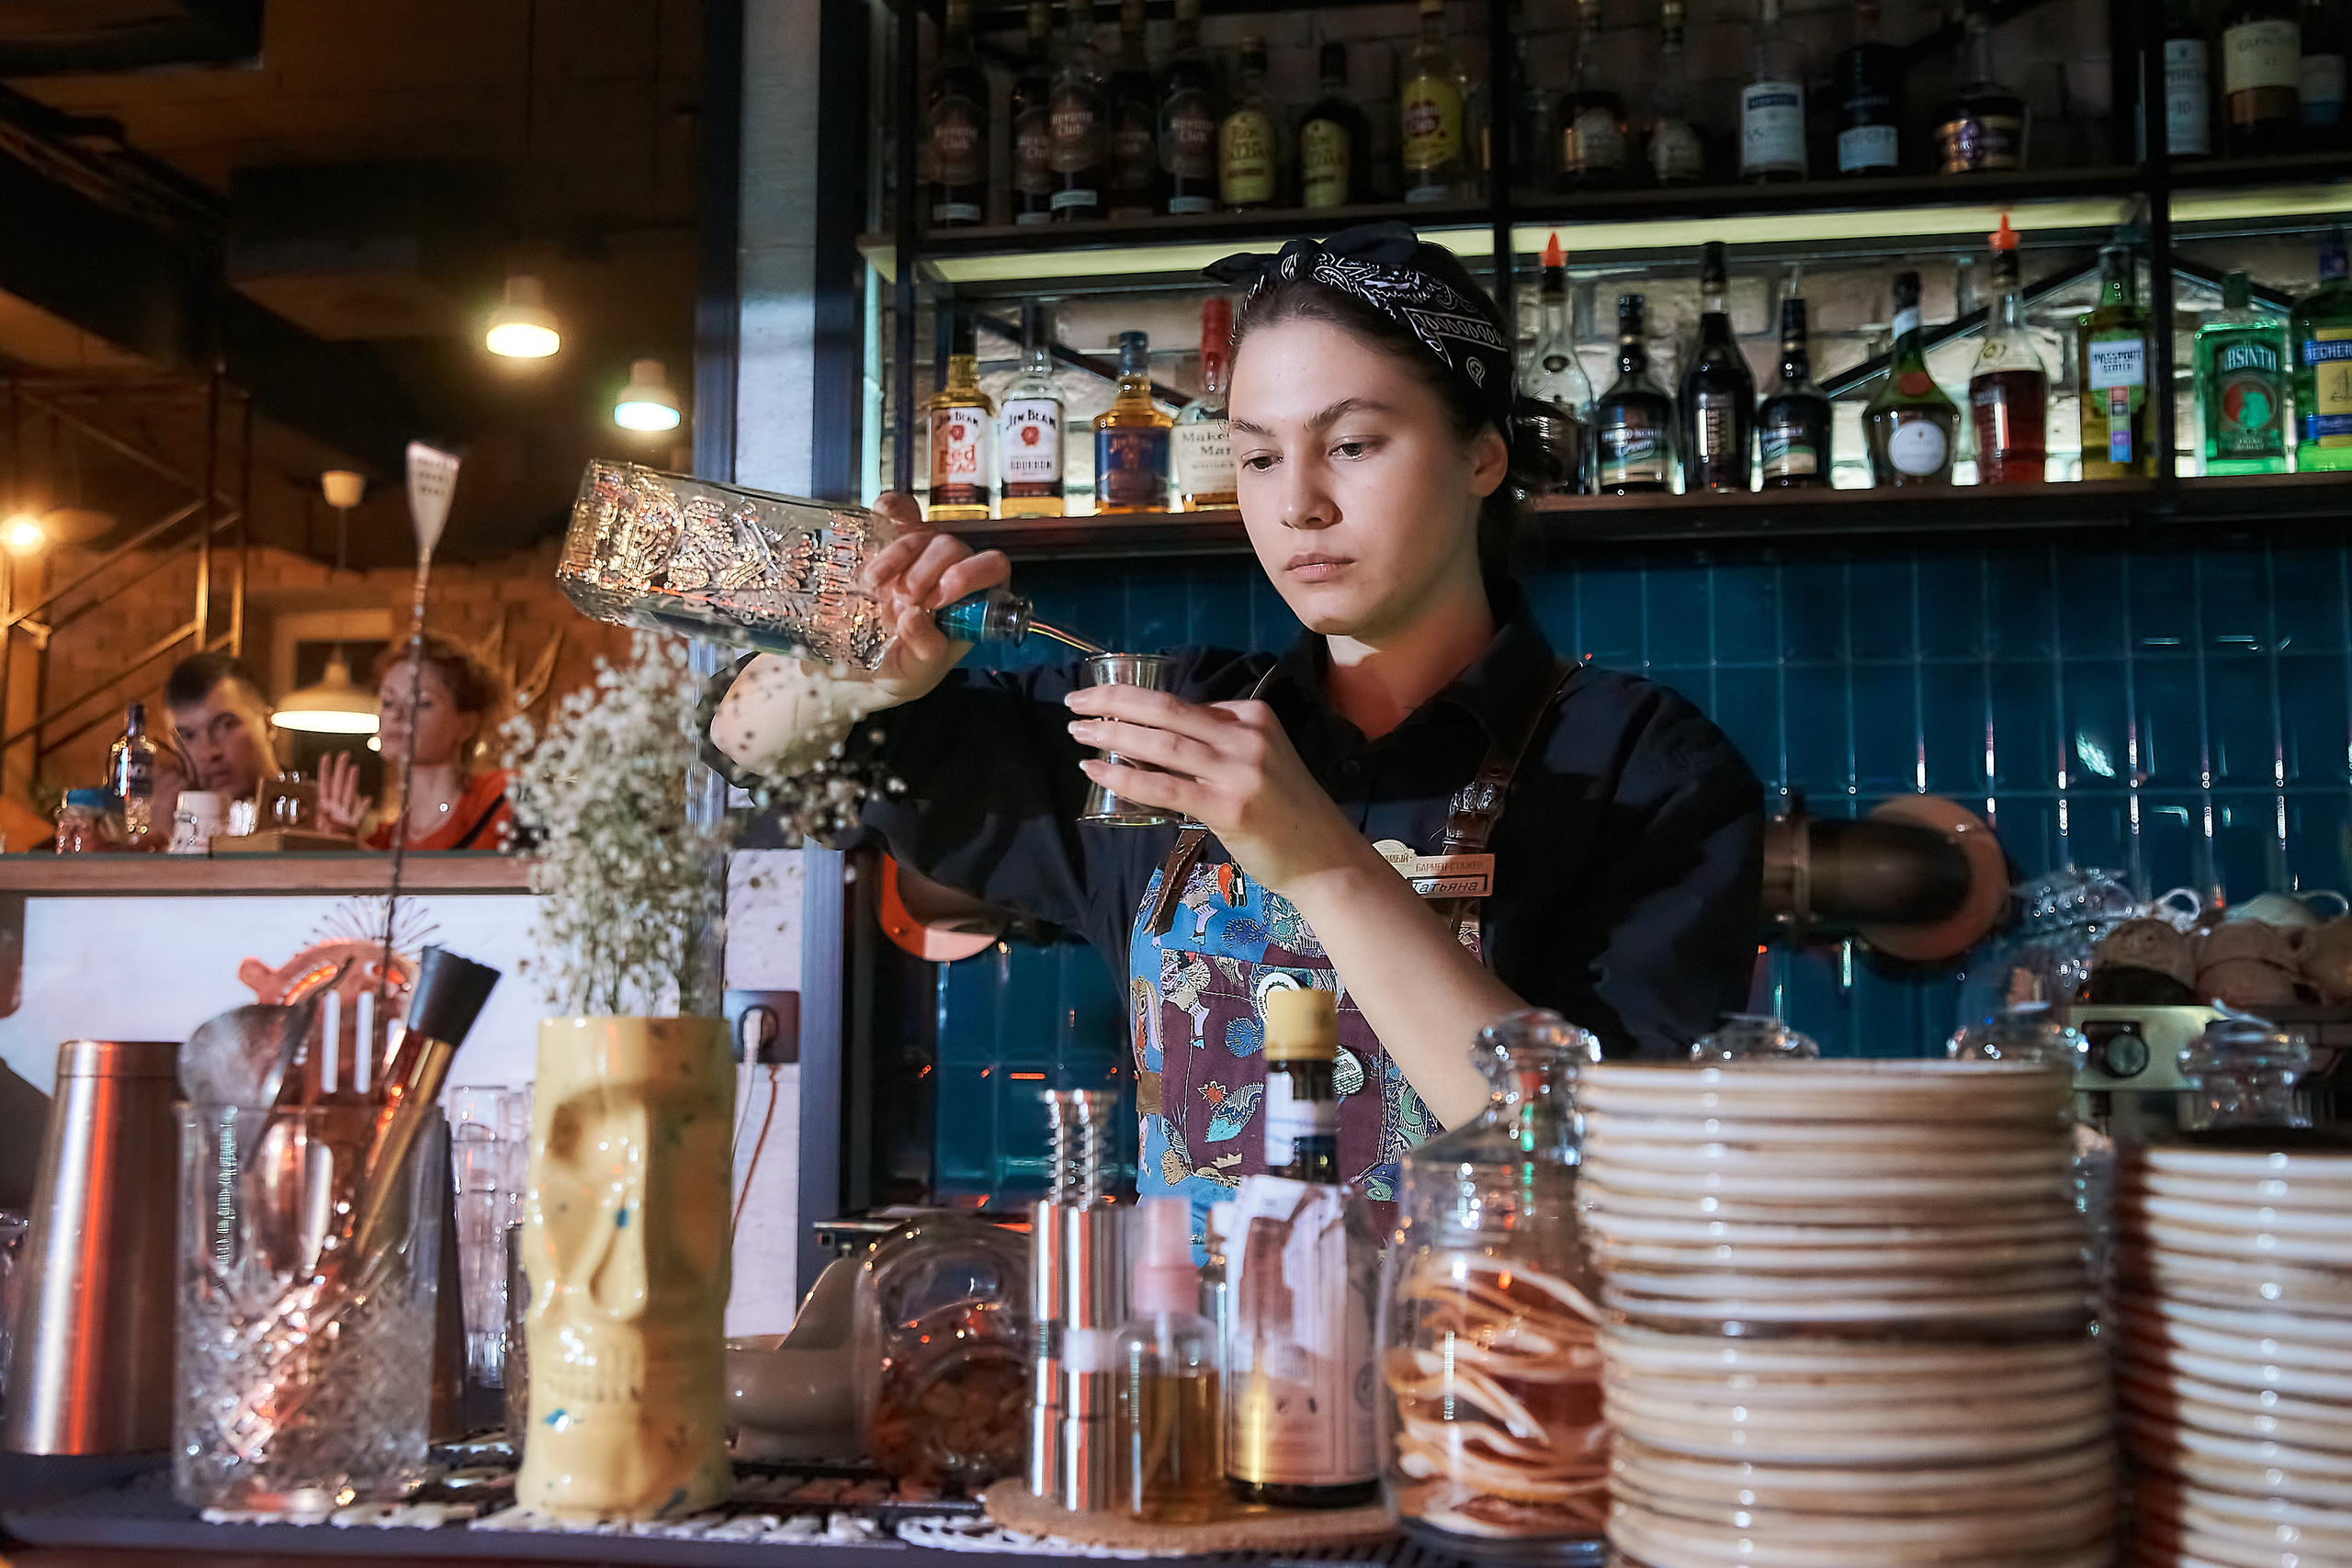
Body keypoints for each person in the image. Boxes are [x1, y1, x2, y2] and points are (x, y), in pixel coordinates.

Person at [712, 222, 1761, 1225]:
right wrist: (865, 664)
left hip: (1485, 1396)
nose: (1298, 503)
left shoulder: (1643, 768)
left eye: (1351, 444)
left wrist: (1321, 862)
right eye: (1258, 457)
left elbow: (1620, 1175)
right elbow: (741, 742)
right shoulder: (1161, 729)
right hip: (1204, 1393)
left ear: (1482, 457)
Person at [317, 635, 514, 851]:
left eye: (420, 702)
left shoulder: (501, 798)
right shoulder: (384, 843)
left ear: (467, 725)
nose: (397, 714)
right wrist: (343, 845)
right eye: (388, 702)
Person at [164, 652, 280, 804]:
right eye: (188, 736)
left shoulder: (317, 816)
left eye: (227, 726)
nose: (209, 752)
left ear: (268, 725)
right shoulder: (167, 820)